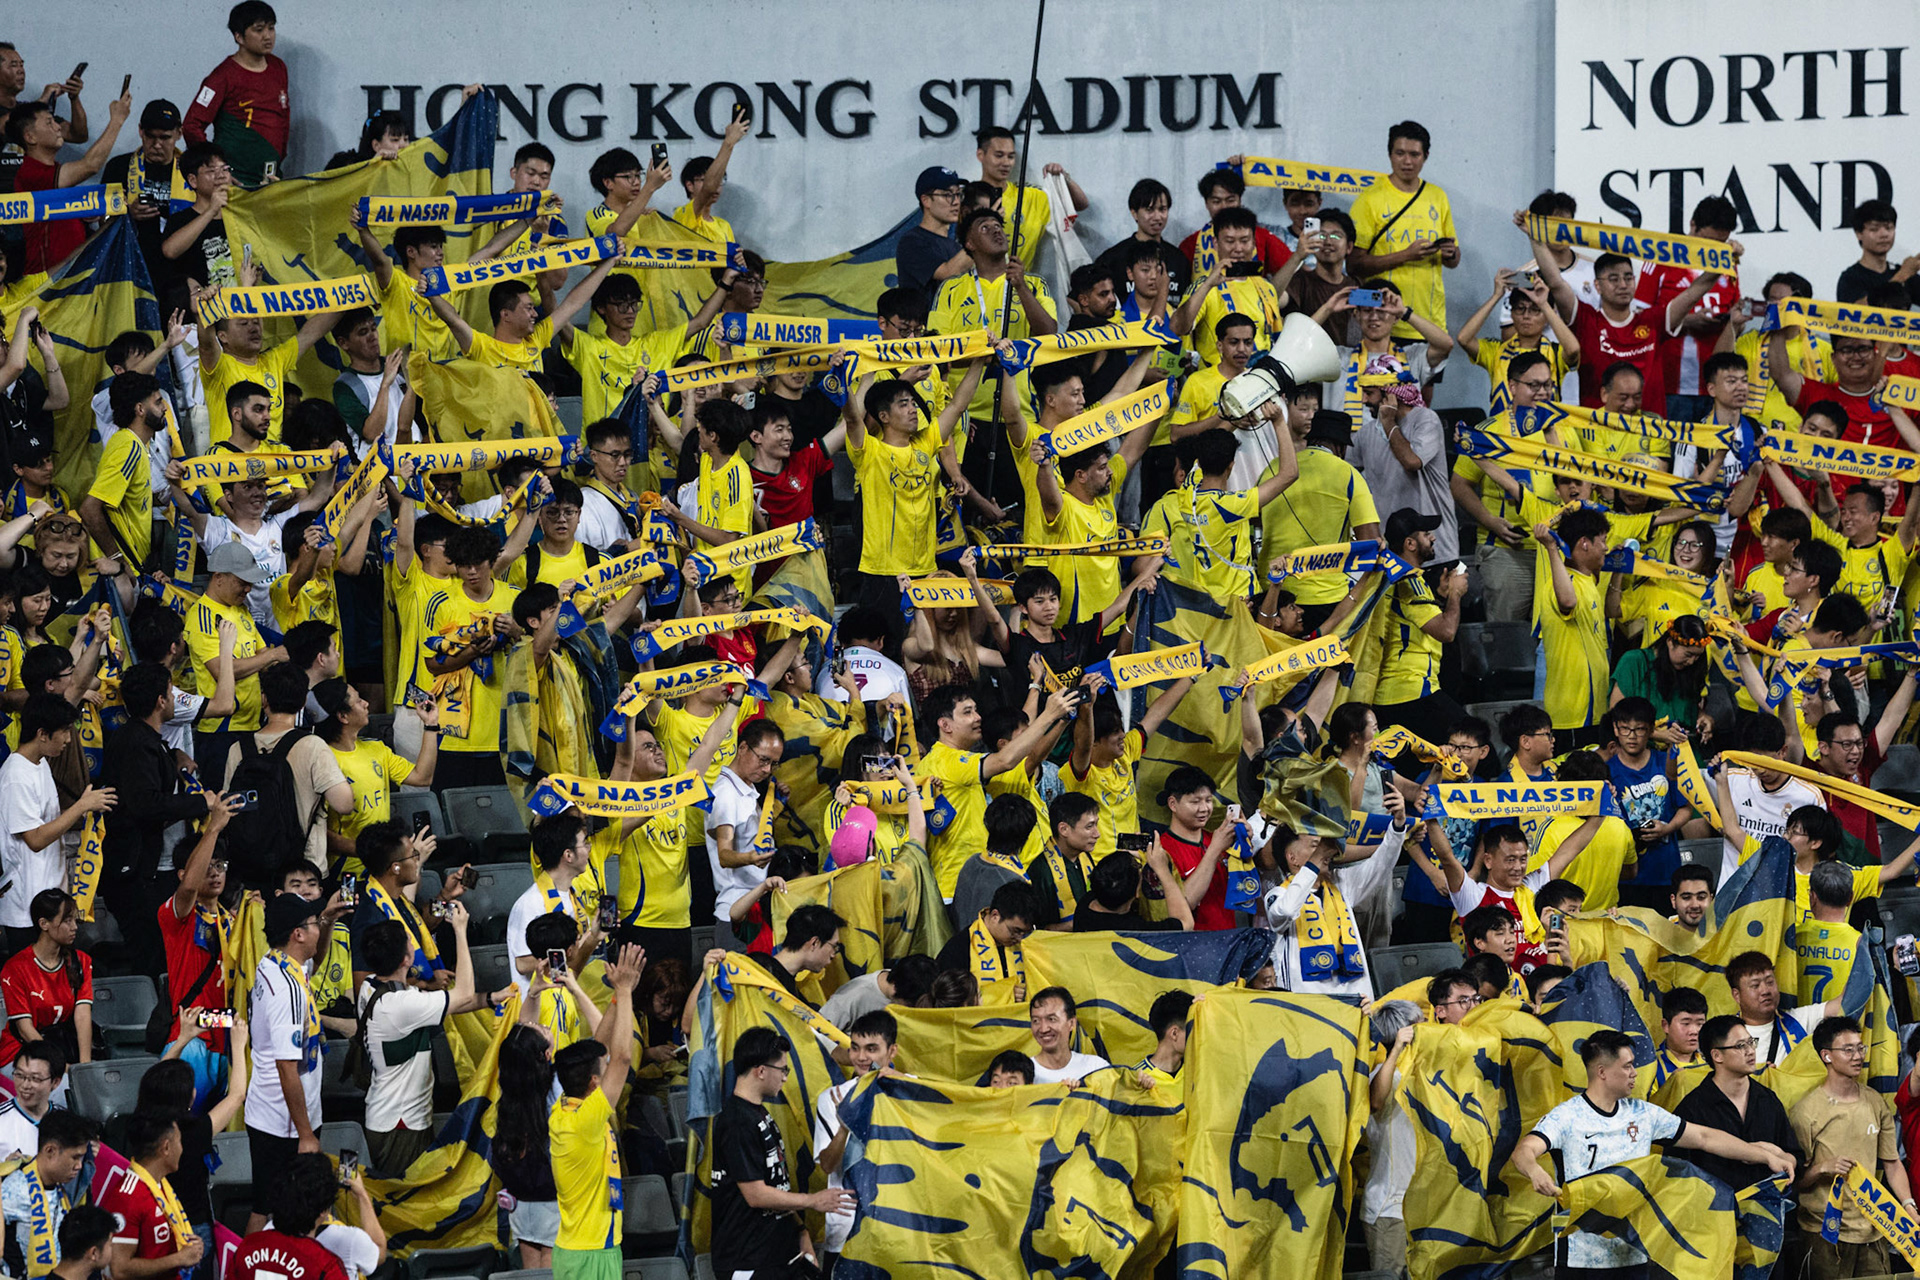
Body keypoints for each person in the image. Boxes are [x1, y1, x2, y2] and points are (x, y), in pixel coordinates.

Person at [1512, 1029, 1795, 1279]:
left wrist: (1762, 1155)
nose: (1635, 1072)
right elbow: (1525, 1151)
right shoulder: (1568, 1116)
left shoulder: (1643, 1113)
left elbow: (1704, 1137)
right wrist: (1535, 1170)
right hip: (1582, 1253)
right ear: (1602, 1072)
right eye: (1628, 1066)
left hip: (1635, 1249)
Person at [355, 908, 495, 1177]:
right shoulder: (400, 1005)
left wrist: (492, 998)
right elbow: (463, 995)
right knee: (406, 1205)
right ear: (406, 959)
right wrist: (460, 931)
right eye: (410, 941)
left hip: (392, 1116)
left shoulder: (373, 987)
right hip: (401, 1124)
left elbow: (454, 1004)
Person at [711, 1026, 855, 1278]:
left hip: (779, 1255)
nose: (786, 1077)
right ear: (761, 1071)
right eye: (783, 1070)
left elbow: (778, 1185)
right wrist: (813, 1201)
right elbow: (756, 1195)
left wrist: (801, 1232)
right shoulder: (736, 1121)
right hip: (746, 1260)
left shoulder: (760, 1113)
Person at [916, 684, 1074, 899]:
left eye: (976, 710)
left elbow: (1017, 745)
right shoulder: (947, 760)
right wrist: (1050, 714)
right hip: (958, 886)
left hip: (964, 881)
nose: (977, 717)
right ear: (945, 725)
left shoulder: (939, 761)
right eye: (967, 712)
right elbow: (1005, 759)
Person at [1790, 1017, 1914, 1278]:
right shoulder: (1806, 1111)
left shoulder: (1875, 1102)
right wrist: (1823, 1168)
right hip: (1824, 1233)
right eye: (1848, 1050)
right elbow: (1795, 1181)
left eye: (1860, 1048)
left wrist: (1908, 1204)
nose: (1858, 1056)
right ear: (1826, 1056)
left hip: (1874, 1227)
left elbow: (1891, 1162)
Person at [548, 944, 642, 1280]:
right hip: (591, 1257)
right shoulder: (585, 1121)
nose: (607, 1071)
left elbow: (600, 1047)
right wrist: (627, 990)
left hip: (583, 1251)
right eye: (601, 1070)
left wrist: (616, 998)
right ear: (593, 1082)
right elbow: (621, 1058)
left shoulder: (565, 1106)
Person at [242, 893, 328, 1231]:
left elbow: (314, 962)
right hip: (284, 1123)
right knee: (271, 1209)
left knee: (270, 1205)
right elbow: (286, 1067)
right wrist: (305, 1135)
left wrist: (330, 917)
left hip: (270, 1112)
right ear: (298, 934)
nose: (318, 928)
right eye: (314, 924)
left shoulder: (275, 962)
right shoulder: (286, 991)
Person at [0, 696, 113, 954]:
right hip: (27, 908)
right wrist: (80, 807)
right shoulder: (16, 776)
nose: (68, 740)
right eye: (64, 732)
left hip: (51, 898)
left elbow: (47, 819)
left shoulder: (39, 765)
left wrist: (84, 810)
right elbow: (35, 839)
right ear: (42, 733)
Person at [223, 662, 351, 880]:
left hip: (249, 869)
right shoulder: (312, 745)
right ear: (303, 702)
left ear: (264, 699)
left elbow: (228, 808)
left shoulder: (238, 748)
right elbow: (344, 804)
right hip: (303, 874)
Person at [1263, 815, 1411, 997]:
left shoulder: (1341, 883)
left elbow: (1380, 865)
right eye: (1315, 846)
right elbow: (1285, 911)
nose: (1325, 853)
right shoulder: (1279, 895)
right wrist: (1314, 864)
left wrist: (1397, 827)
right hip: (1306, 1003)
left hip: (1354, 997)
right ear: (1292, 858)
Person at [1347, 121, 1458, 339]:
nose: (1407, 161)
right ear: (1390, 155)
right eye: (1400, 153)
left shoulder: (1437, 196)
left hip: (1430, 323)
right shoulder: (1369, 199)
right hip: (1382, 323)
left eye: (1414, 154)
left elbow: (1453, 261)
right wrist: (1407, 255)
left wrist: (1450, 253)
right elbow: (1353, 264)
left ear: (1425, 156)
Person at [7, 89, 132, 275]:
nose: (58, 127)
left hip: (72, 279)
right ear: (30, 137)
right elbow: (91, 165)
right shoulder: (30, 172)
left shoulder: (54, 170)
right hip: (45, 285)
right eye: (49, 123)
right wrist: (117, 120)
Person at [1673, 1014, 1802, 1191]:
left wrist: (1780, 1155)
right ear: (1717, 1055)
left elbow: (1795, 1157)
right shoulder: (1692, 1108)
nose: (1750, 1051)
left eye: (1751, 1042)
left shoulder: (1768, 1099)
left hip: (1767, 1210)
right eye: (1741, 1046)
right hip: (1716, 1213)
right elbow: (1678, 1174)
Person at [813, 1010, 901, 1268]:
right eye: (855, 1048)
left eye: (871, 1049)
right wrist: (843, 1127)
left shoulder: (914, 1091)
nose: (861, 1057)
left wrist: (905, 1086)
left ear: (892, 1051)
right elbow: (828, 1165)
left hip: (898, 1229)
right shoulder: (831, 1098)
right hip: (845, 1231)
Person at [180, 2, 287, 188]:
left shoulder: (279, 68)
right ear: (239, 37)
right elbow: (191, 125)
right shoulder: (221, 76)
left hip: (271, 179)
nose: (268, 36)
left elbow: (283, 118)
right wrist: (217, 171)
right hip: (235, 184)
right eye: (259, 30)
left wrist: (280, 158)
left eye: (271, 28)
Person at [97, 1112, 205, 1280]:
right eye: (179, 1141)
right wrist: (179, 1258)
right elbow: (119, 1269)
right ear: (166, 1147)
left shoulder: (161, 1185)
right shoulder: (128, 1197)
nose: (182, 1149)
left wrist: (188, 1246)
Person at [0, 889, 91, 1073]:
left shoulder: (81, 961)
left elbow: (82, 1016)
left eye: (75, 920)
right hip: (22, 1052)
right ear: (44, 924)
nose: (74, 927)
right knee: (59, 1090)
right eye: (67, 921)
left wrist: (84, 1068)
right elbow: (26, 1030)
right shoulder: (15, 968)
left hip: (64, 1046)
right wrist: (61, 1068)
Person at [508, 814, 603, 991]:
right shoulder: (531, 903)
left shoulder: (572, 897)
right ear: (568, 855)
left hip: (564, 1001)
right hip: (539, 1009)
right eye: (585, 844)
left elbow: (574, 961)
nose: (589, 849)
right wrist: (571, 949)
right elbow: (522, 963)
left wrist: (593, 938)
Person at [1365, 999, 1424, 1276]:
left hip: (1422, 1208)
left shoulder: (1424, 1078)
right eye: (1420, 1025)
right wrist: (1396, 1050)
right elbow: (1376, 1102)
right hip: (1389, 1210)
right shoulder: (1385, 1074)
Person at [0, 1109, 94, 1280]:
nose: (79, 1166)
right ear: (50, 1151)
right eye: (75, 1157)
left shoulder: (69, 1187)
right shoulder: (12, 1188)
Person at [935, 880, 1039, 989]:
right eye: (1015, 931)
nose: (1019, 939)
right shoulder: (959, 949)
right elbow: (949, 997)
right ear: (995, 916)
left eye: (1025, 933)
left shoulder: (1028, 947)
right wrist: (1005, 994)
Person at [1073, 849, 1193, 933]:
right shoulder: (1135, 930)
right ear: (1136, 893)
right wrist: (1162, 870)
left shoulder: (1085, 904)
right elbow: (1186, 923)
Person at [818, 954, 938, 1031]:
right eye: (910, 1005)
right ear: (895, 988)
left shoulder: (910, 980)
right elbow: (818, 1034)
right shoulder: (851, 996)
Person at [897, 166, 968, 296]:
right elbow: (947, 273)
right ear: (926, 201)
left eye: (958, 194)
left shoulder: (955, 246)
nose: (956, 202)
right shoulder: (912, 242)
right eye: (948, 195)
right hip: (926, 316)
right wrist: (979, 237)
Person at [1836, 199, 1920, 304]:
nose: (1884, 234)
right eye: (1874, 229)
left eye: (1889, 228)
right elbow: (1856, 312)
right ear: (1859, 234)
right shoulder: (1850, 278)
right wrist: (1902, 276)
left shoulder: (1904, 273)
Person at [1027, 987, 1107, 1085]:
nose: (1043, 1029)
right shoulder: (1022, 1076)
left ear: (1072, 1023)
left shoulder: (1096, 1068)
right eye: (1036, 1021)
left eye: (1052, 1019)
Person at [0, 1040, 62, 1159]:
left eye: (35, 1079)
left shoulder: (67, 1124)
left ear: (55, 1082)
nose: (25, 1085)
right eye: (19, 1075)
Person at [1137, 991, 1191, 1092]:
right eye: (1193, 1029)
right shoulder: (1136, 1081)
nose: (1198, 1036)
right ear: (1174, 1034)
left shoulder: (1197, 1072)